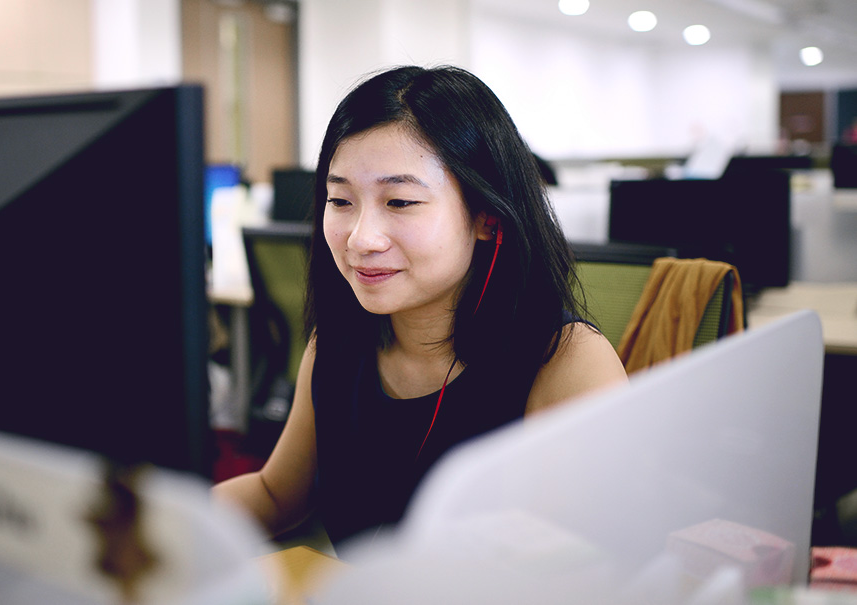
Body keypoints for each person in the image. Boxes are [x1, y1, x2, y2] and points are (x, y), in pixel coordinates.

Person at [213, 65, 627, 552]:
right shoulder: (338, 343)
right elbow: (275, 493)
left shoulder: (565, 362)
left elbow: (587, 568)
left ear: (487, 218)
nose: (361, 238)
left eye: (401, 201)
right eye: (341, 199)